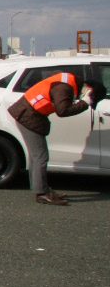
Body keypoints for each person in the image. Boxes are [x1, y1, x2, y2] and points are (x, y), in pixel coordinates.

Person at [7, 72, 95, 205]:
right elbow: (62, 111)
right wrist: (84, 103)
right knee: (41, 157)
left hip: (25, 113)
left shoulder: (67, 81)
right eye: (90, 92)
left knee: (35, 156)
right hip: (27, 116)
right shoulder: (64, 87)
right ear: (87, 87)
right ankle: (42, 194)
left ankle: (41, 189)